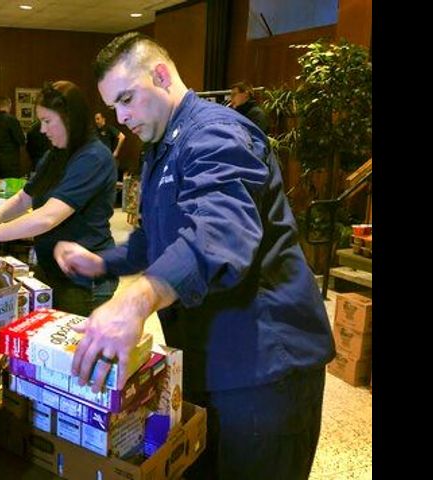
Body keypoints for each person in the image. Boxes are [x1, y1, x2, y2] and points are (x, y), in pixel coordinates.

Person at [54, 33, 335, 479]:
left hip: (264, 367)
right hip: (209, 358)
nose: (121, 118)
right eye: (113, 107)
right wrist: (104, 261)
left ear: (161, 75)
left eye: (126, 99)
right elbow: (157, 236)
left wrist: (136, 300)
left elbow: (220, 231)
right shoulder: (161, 146)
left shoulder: (217, 134)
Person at [0, 81, 118, 316]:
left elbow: (47, 217)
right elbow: (23, 199)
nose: (42, 130)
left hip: (83, 279)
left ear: (70, 118)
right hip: (51, 269)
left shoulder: (93, 157)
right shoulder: (55, 154)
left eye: (48, 121)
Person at [0, 97, 26, 179]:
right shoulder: (12, 120)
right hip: (10, 160)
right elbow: (21, 140)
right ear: (9, 105)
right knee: (11, 184)